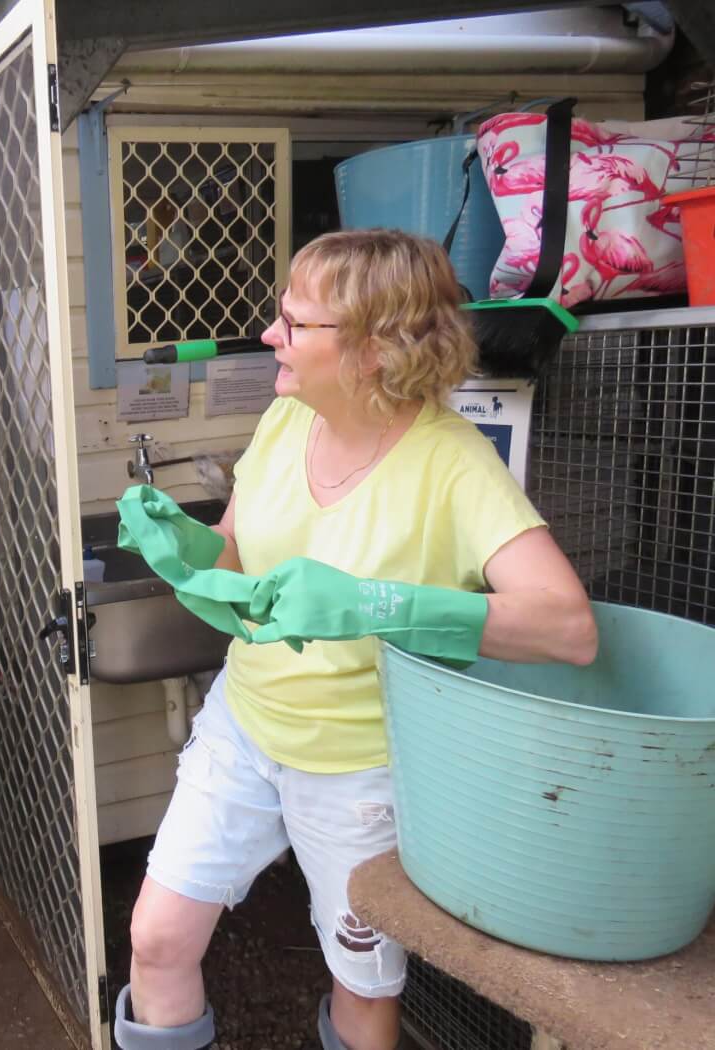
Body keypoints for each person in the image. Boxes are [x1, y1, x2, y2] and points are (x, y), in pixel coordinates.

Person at [113, 229, 597, 1050]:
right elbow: (235, 556)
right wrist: (183, 546)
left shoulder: (454, 462)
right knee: (157, 938)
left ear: (377, 347)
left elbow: (570, 628)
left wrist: (376, 603)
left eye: (295, 323)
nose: (270, 334)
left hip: (360, 767)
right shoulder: (284, 419)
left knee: (363, 990)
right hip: (245, 726)